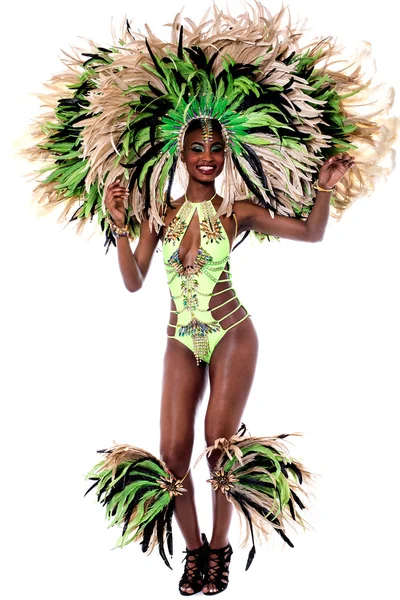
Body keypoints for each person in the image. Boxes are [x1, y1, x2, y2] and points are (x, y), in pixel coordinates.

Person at [103, 117, 354, 595]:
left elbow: (311, 234)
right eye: (197, 147)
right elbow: (134, 280)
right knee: (173, 455)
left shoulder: (238, 212)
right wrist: (120, 228)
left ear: (226, 156)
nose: (207, 157)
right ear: (180, 154)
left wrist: (323, 189)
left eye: (216, 149)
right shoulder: (160, 215)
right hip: (181, 337)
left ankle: (218, 549)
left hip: (231, 333)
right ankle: (192, 551)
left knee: (219, 447)